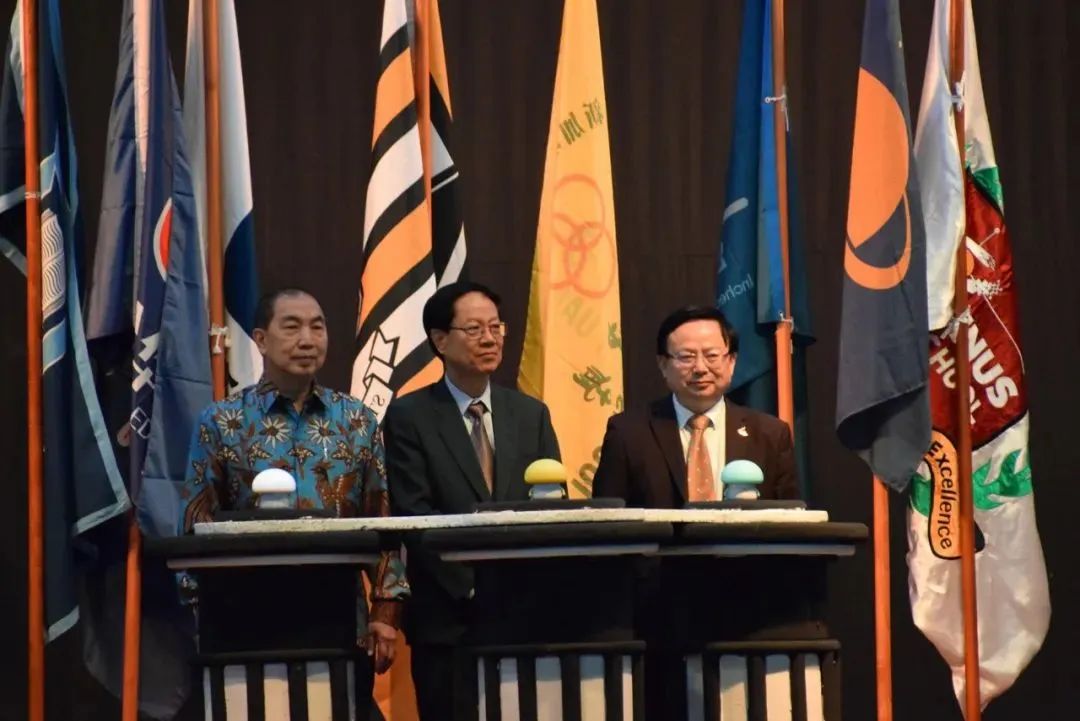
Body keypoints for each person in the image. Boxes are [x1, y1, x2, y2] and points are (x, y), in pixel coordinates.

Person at [177, 288, 407, 716]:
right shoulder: (223, 421)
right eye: (292, 326)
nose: (307, 339)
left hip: (340, 619)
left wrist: (385, 612)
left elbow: (381, 523)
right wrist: (200, 617)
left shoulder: (357, 420)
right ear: (261, 340)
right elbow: (195, 528)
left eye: (317, 327)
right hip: (244, 620)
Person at [382, 280, 560, 721]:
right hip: (448, 618)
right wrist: (473, 585)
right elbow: (414, 515)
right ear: (440, 340)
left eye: (496, 327)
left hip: (525, 615)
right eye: (475, 329)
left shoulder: (530, 414)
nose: (490, 338)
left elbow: (551, 507)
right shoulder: (409, 416)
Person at [592, 305, 798, 506]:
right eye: (686, 357)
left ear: (731, 361)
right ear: (663, 364)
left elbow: (790, 517)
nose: (700, 368)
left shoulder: (770, 434)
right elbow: (607, 517)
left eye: (712, 356)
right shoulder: (628, 434)